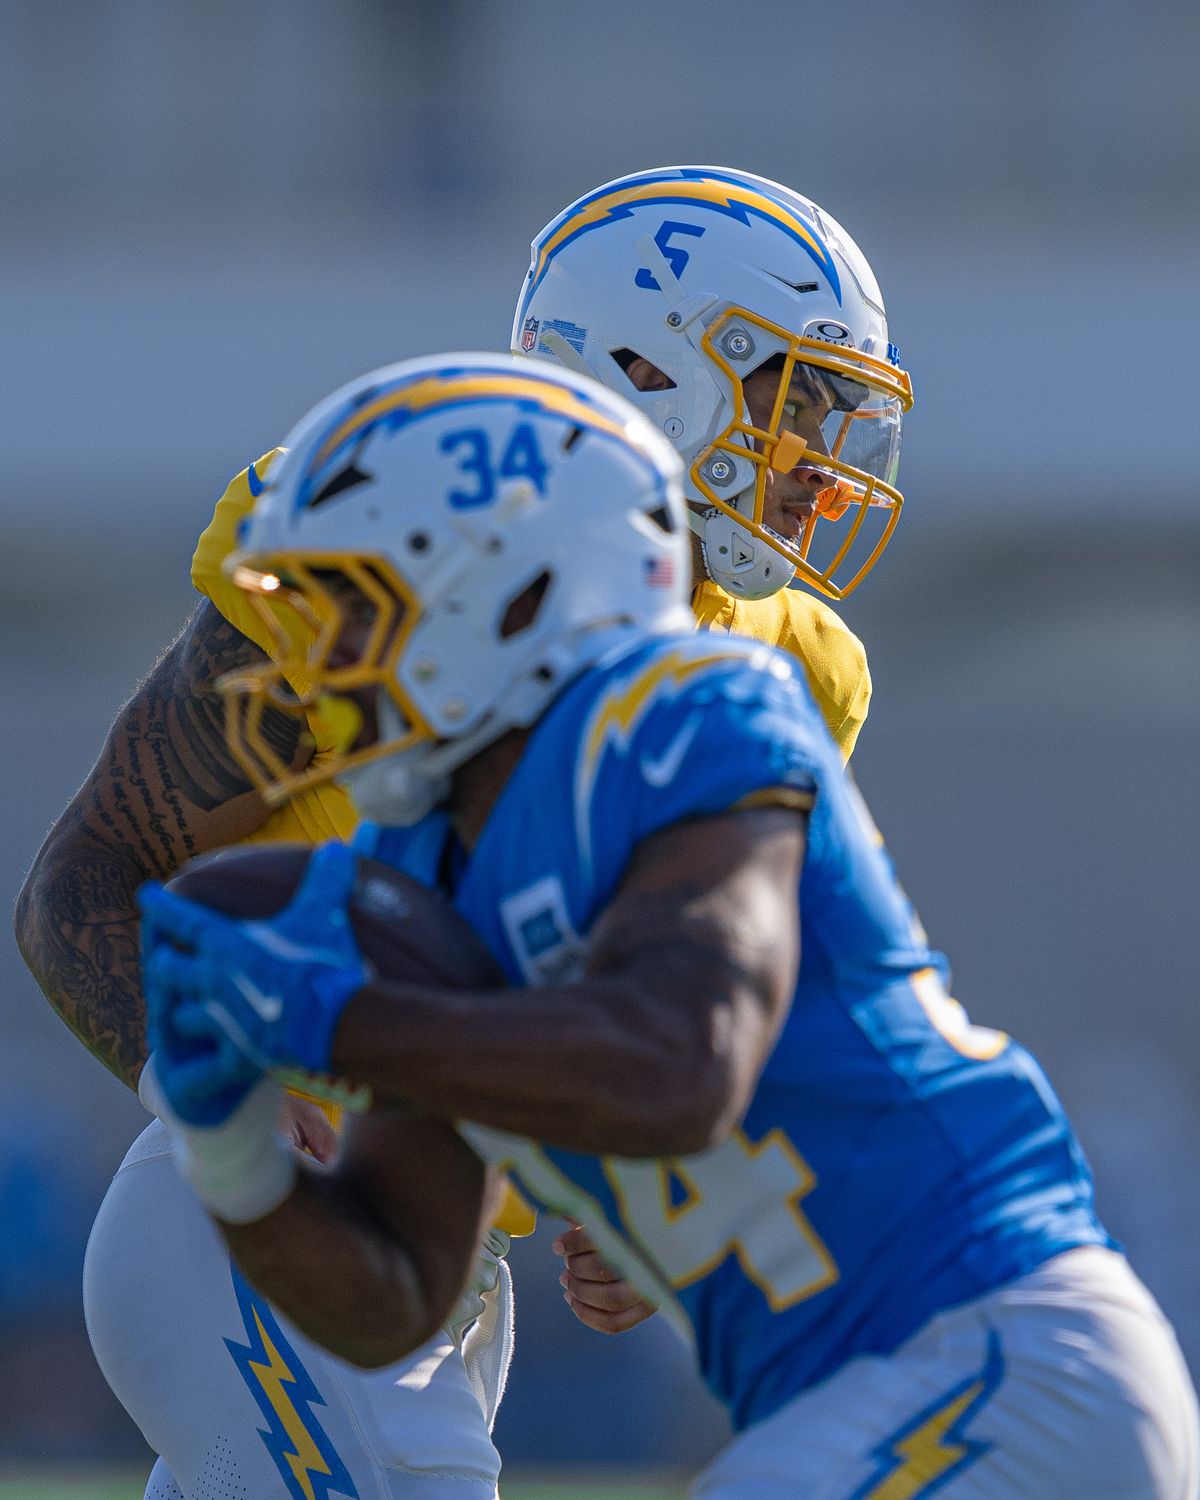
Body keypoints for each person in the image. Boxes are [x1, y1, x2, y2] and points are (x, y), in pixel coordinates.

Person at [141, 353, 1199, 1499]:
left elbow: (686, 1060)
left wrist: (342, 1021)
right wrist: (229, 1147)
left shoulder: (698, 710)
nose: (320, 658)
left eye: (359, 605)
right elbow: (394, 1292)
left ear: (510, 587)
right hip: (874, 1395)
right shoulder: (423, 862)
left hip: (1001, 1348)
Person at [14, 166, 901, 1496]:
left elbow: (680, 1000)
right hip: (257, 1225)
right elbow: (84, 882)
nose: (822, 465)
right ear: (651, 368)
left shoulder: (797, 672)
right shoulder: (399, 534)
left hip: (448, 1272)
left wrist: (647, 1188)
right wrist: (232, 1109)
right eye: (795, 398)